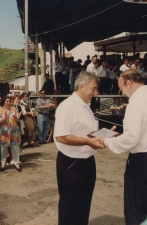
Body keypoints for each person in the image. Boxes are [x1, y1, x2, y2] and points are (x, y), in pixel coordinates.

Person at [100, 70, 147, 225]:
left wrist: (107, 141)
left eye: (121, 88)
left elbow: (131, 139)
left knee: (136, 207)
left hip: (142, 161)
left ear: (129, 83)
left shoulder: (135, 103)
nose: (122, 93)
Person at [54, 72, 105, 225]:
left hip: (88, 161)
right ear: (82, 86)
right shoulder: (67, 106)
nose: (96, 93)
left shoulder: (86, 107)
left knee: (83, 206)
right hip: (72, 163)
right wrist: (89, 142)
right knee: (70, 208)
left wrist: (103, 135)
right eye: (94, 89)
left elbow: (85, 132)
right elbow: (61, 136)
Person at [0, 96, 22, 172]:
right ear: (4, 101)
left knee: (15, 148)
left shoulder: (14, 109)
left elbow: (18, 121)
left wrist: (14, 116)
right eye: (7, 101)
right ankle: (3, 164)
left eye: (9, 101)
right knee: (3, 149)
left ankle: (17, 164)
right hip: (4, 133)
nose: (8, 103)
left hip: (14, 132)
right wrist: (4, 117)